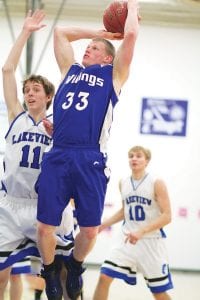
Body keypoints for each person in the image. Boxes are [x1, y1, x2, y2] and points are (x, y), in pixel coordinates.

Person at [36, 0, 140, 299]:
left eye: (95, 48)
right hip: (59, 152)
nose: (88, 49)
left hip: (90, 156)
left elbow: (131, 37)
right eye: (88, 47)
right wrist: (99, 33)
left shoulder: (113, 76)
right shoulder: (70, 70)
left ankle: (77, 264)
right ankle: (50, 270)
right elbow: (60, 32)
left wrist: (131, 8)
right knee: (45, 226)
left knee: (91, 230)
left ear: (108, 59)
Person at [0, 10, 74, 300]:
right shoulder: (16, 116)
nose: (30, 93)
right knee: (2, 272)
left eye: (36, 89)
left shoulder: (61, 122)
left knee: (65, 271)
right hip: (12, 204)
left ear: (48, 96)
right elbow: (7, 69)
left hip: (48, 205)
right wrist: (26, 32)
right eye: (27, 90)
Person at [93, 145, 174, 300]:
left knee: (158, 292)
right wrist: (103, 224)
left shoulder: (156, 182)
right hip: (127, 240)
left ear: (147, 161)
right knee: (104, 276)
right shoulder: (123, 182)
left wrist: (141, 231)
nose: (134, 159)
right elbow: (125, 211)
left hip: (151, 242)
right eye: (131, 156)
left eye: (138, 156)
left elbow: (167, 216)